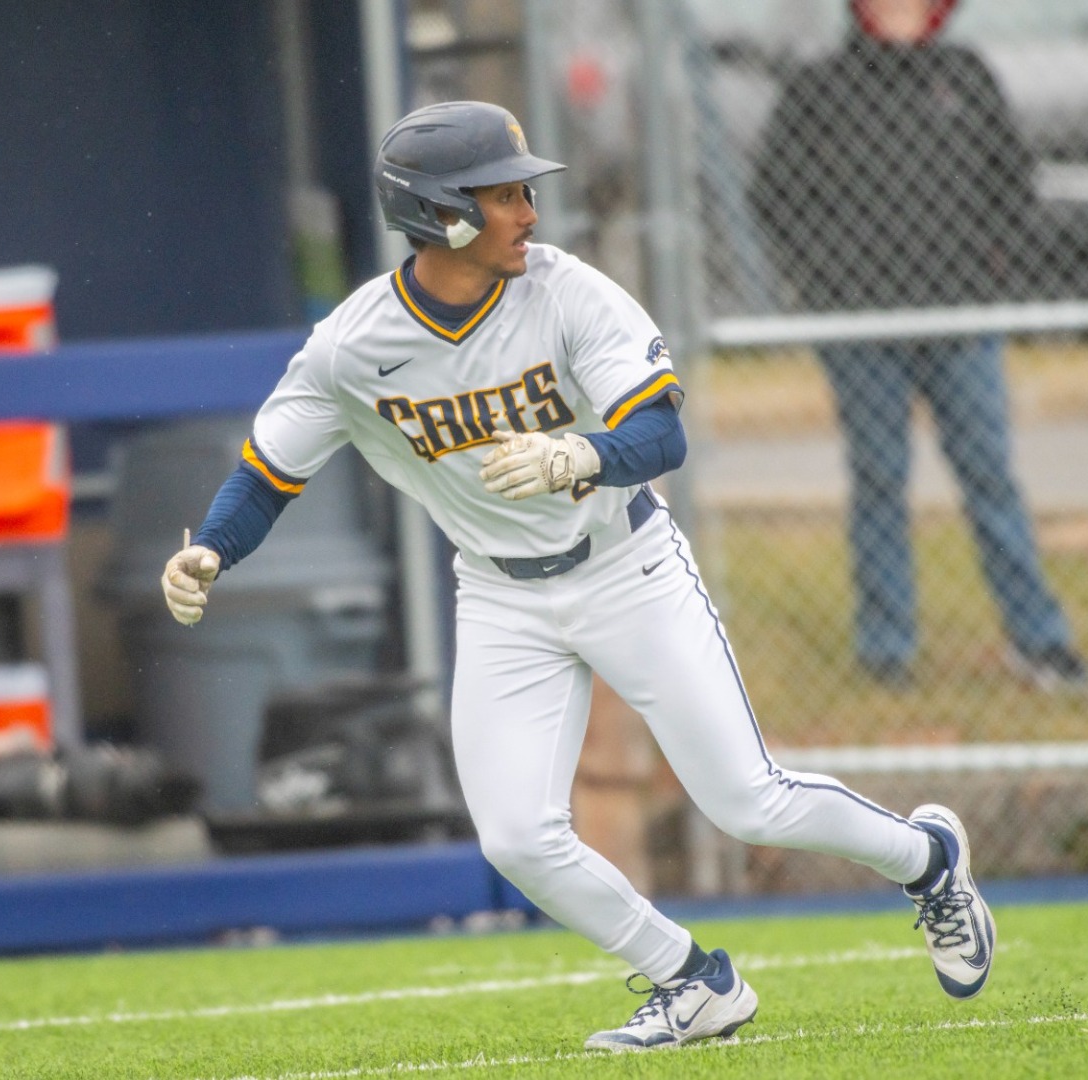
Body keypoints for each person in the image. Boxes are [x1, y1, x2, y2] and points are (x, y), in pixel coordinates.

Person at [161, 100, 996, 1052]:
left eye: (525, 190)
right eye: (504, 193)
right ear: (439, 213)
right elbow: (271, 470)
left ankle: (928, 859)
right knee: (515, 836)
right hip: (502, 594)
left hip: (626, 566)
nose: (527, 210)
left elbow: (659, 430)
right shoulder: (355, 344)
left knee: (745, 799)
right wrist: (212, 550)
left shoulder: (568, 293)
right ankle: (693, 982)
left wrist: (579, 456)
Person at [751, 0, 1088, 691]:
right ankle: (887, 651)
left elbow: (1012, 187)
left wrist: (990, 271)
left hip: (960, 322)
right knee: (880, 481)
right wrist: (828, 279)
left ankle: (1040, 641)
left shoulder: (965, 77)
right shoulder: (821, 89)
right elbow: (775, 198)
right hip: (860, 329)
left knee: (990, 476)